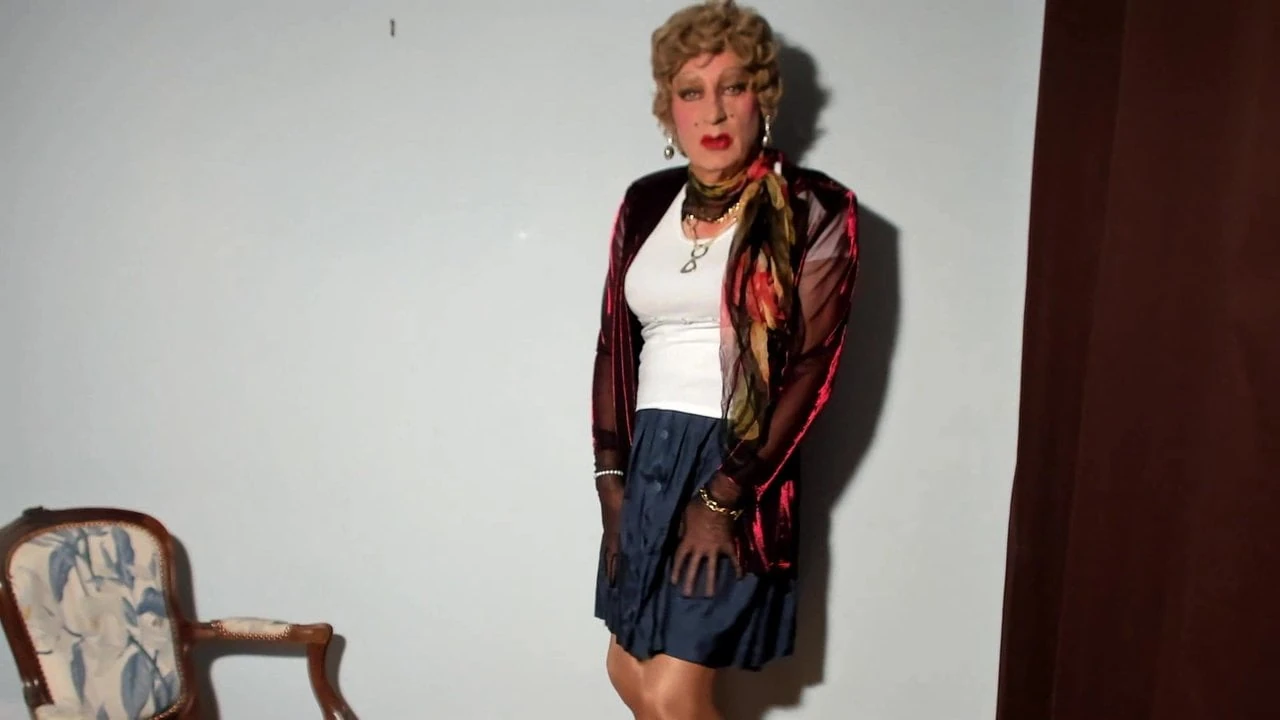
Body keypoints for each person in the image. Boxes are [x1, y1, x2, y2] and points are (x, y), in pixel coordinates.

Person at [591, 1, 859, 718]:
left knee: (674, 691)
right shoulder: (645, 203)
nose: (712, 111)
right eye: (691, 91)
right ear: (668, 110)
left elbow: (811, 366)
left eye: (732, 86)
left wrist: (723, 499)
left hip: (738, 463)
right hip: (648, 457)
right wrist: (611, 483)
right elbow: (614, 345)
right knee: (627, 670)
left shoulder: (812, 207)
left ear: (760, 97)